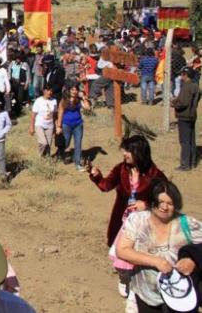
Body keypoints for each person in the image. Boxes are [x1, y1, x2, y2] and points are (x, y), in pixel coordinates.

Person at [88, 134, 168, 298]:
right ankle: (124, 279)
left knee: (142, 254)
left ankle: (143, 282)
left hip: (145, 223)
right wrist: (96, 175)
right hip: (122, 220)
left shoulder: (155, 175)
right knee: (121, 253)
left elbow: (167, 200)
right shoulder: (121, 169)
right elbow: (105, 186)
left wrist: (147, 205)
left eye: (128, 151)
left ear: (139, 153)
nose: (124, 154)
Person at [117, 180, 202, 312]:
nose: (164, 207)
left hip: (180, 295)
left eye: (170, 203)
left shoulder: (189, 224)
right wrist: (155, 261)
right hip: (147, 295)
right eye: (160, 202)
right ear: (152, 201)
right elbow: (122, 250)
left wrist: (192, 260)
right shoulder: (137, 220)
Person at [56, 82, 91, 170]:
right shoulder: (64, 100)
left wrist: (84, 98)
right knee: (66, 143)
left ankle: (77, 163)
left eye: (76, 89)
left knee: (78, 143)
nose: (74, 91)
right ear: (69, 90)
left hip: (78, 125)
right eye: (72, 89)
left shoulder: (78, 100)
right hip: (66, 125)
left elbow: (88, 108)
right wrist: (59, 126)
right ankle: (60, 153)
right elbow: (60, 113)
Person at [173, 67, 200, 171]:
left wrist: (174, 103)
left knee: (184, 141)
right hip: (192, 115)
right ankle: (192, 162)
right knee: (191, 140)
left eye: (182, 74)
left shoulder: (186, 87)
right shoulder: (196, 86)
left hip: (184, 116)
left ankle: (185, 165)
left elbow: (183, 102)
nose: (181, 76)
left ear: (185, 75)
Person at [29, 84, 57, 158]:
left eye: (51, 90)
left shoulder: (54, 101)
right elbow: (33, 115)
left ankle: (46, 159)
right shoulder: (38, 101)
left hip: (50, 125)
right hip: (39, 124)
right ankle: (40, 156)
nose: (50, 92)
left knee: (48, 145)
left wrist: (55, 126)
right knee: (43, 142)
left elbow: (54, 115)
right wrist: (31, 127)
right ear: (44, 91)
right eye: (48, 90)